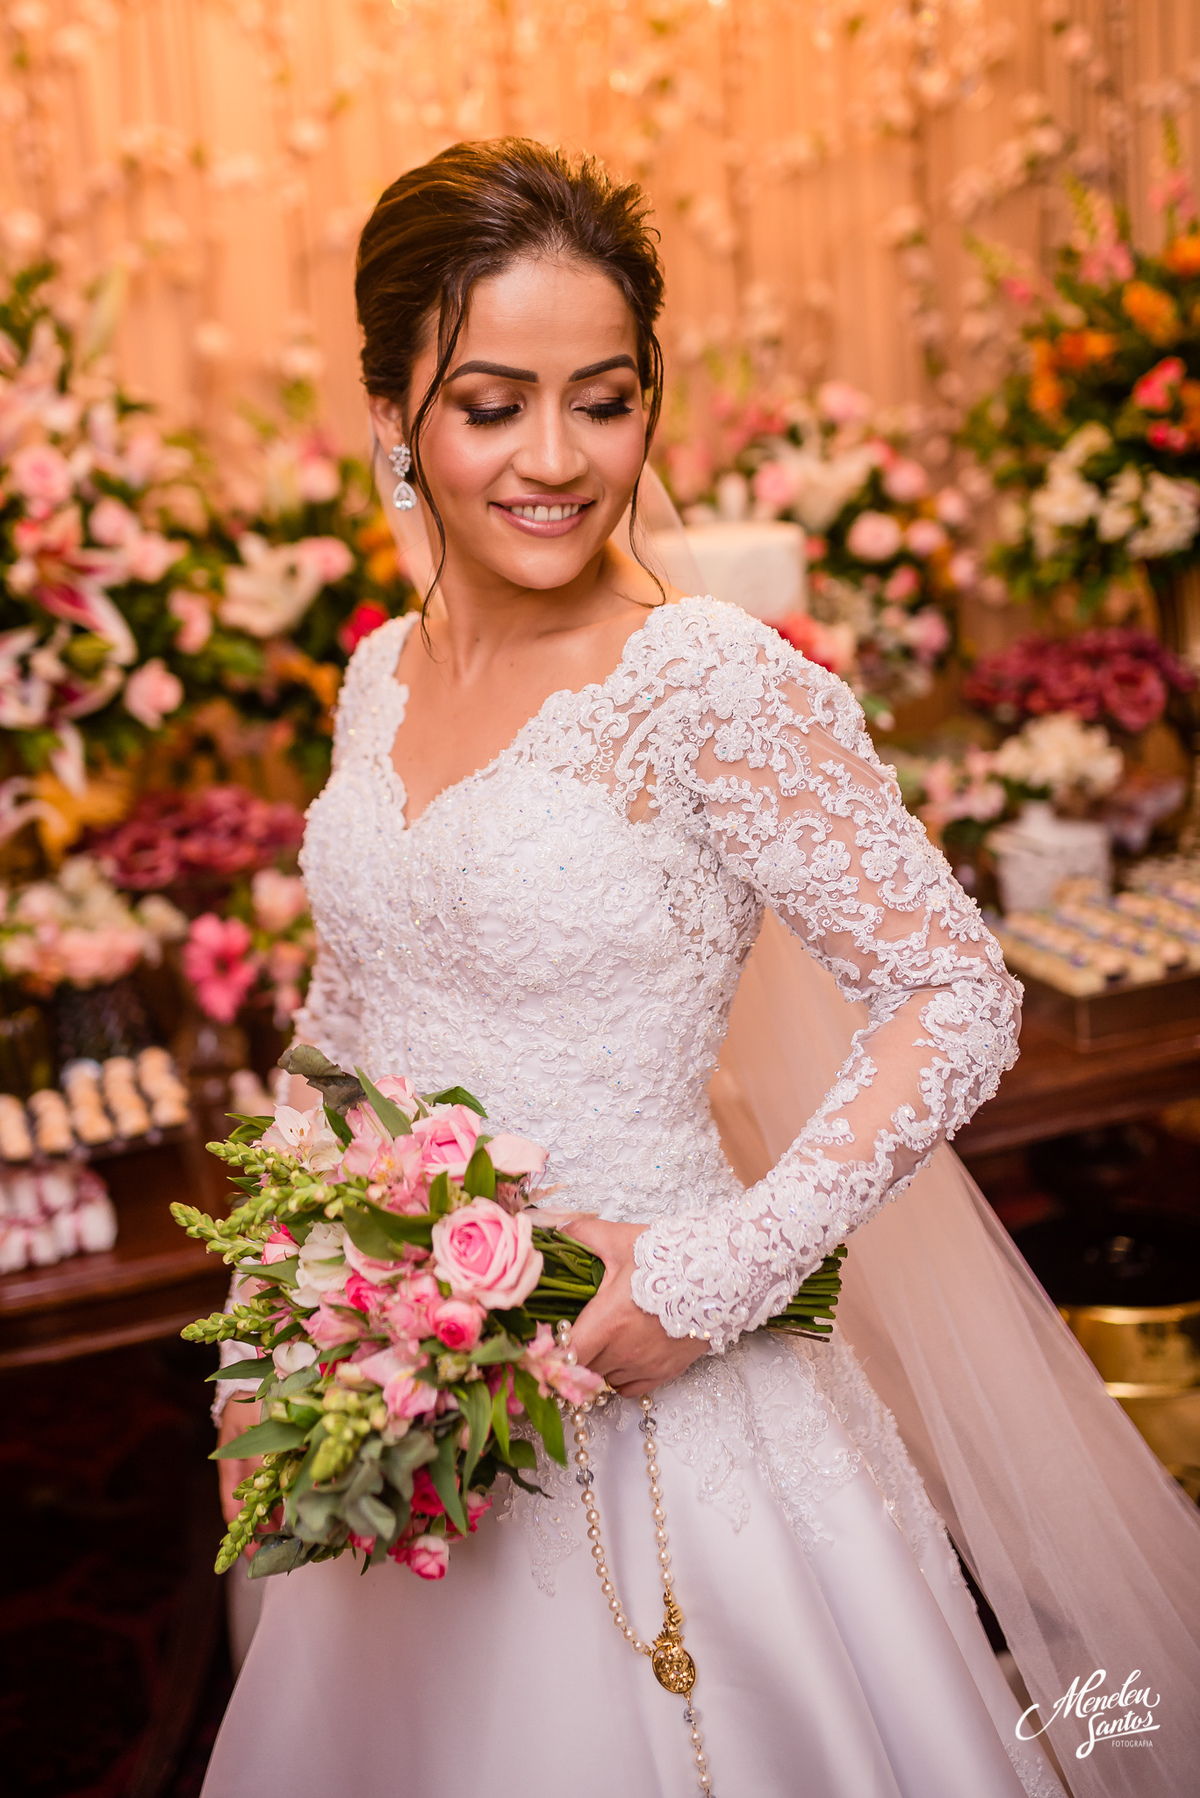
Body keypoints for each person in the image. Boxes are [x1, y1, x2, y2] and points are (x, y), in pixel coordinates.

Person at [203, 140, 1197, 1798]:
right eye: (492, 401)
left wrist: (715, 1270)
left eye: (603, 399)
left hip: (668, 1390)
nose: (556, 458)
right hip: (409, 1399)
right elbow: (355, 1011)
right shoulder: (375, 676)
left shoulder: (710, 684)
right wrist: (299, 1269)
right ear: (392, 414)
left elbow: (959, 992)